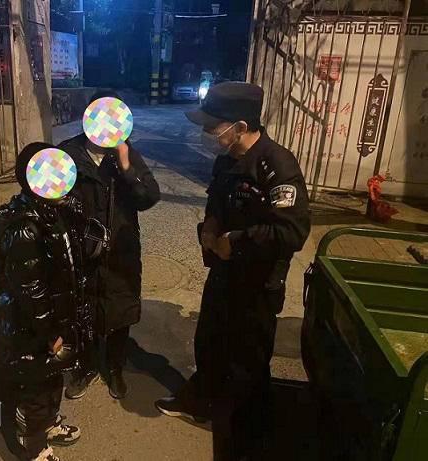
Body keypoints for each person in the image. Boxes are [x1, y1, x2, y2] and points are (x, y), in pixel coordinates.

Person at [155, 82, 311, 460]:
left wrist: (237, 241)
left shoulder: (277, 165)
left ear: (240, 127)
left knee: (248, 359)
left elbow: (292, 231)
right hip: (224, 272)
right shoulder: (227, 160)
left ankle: (246, 430)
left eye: (213, 126)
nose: (206, 133)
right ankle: (201, 401)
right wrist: (210, 225)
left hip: (258, 281)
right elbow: (217, 201)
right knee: (210, 341)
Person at [0, 142, 105, 461]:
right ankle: (34, 446)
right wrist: (50, 333)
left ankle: (48, 423)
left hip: (55, 318)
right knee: (36, 388)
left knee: (52, 377)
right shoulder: (25, 229)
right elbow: (31, 292)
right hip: (31, 328)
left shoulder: (54, 211)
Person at [59, 91, 161, 400]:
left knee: (120, 308)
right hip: (82, 249)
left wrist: (127, 167)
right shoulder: (68, 153)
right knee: (83, 308)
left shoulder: (127, 155)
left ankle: (116, 367)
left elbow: (149, 197)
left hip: (121, 248)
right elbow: (46, 195)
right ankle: (87, 365)